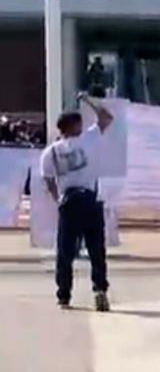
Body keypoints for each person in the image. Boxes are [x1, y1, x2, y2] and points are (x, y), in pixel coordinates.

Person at [43, 94, 114, 311]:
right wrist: (88, 100)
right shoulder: (88, 139)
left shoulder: (51, 151)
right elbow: (106, 117)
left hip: (69, 200)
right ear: (74, 125)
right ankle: (99, 290)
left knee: (65, 250)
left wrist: (59, 200)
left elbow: (48, 179)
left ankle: (64, 294)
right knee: (96, 249)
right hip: (90, 199)